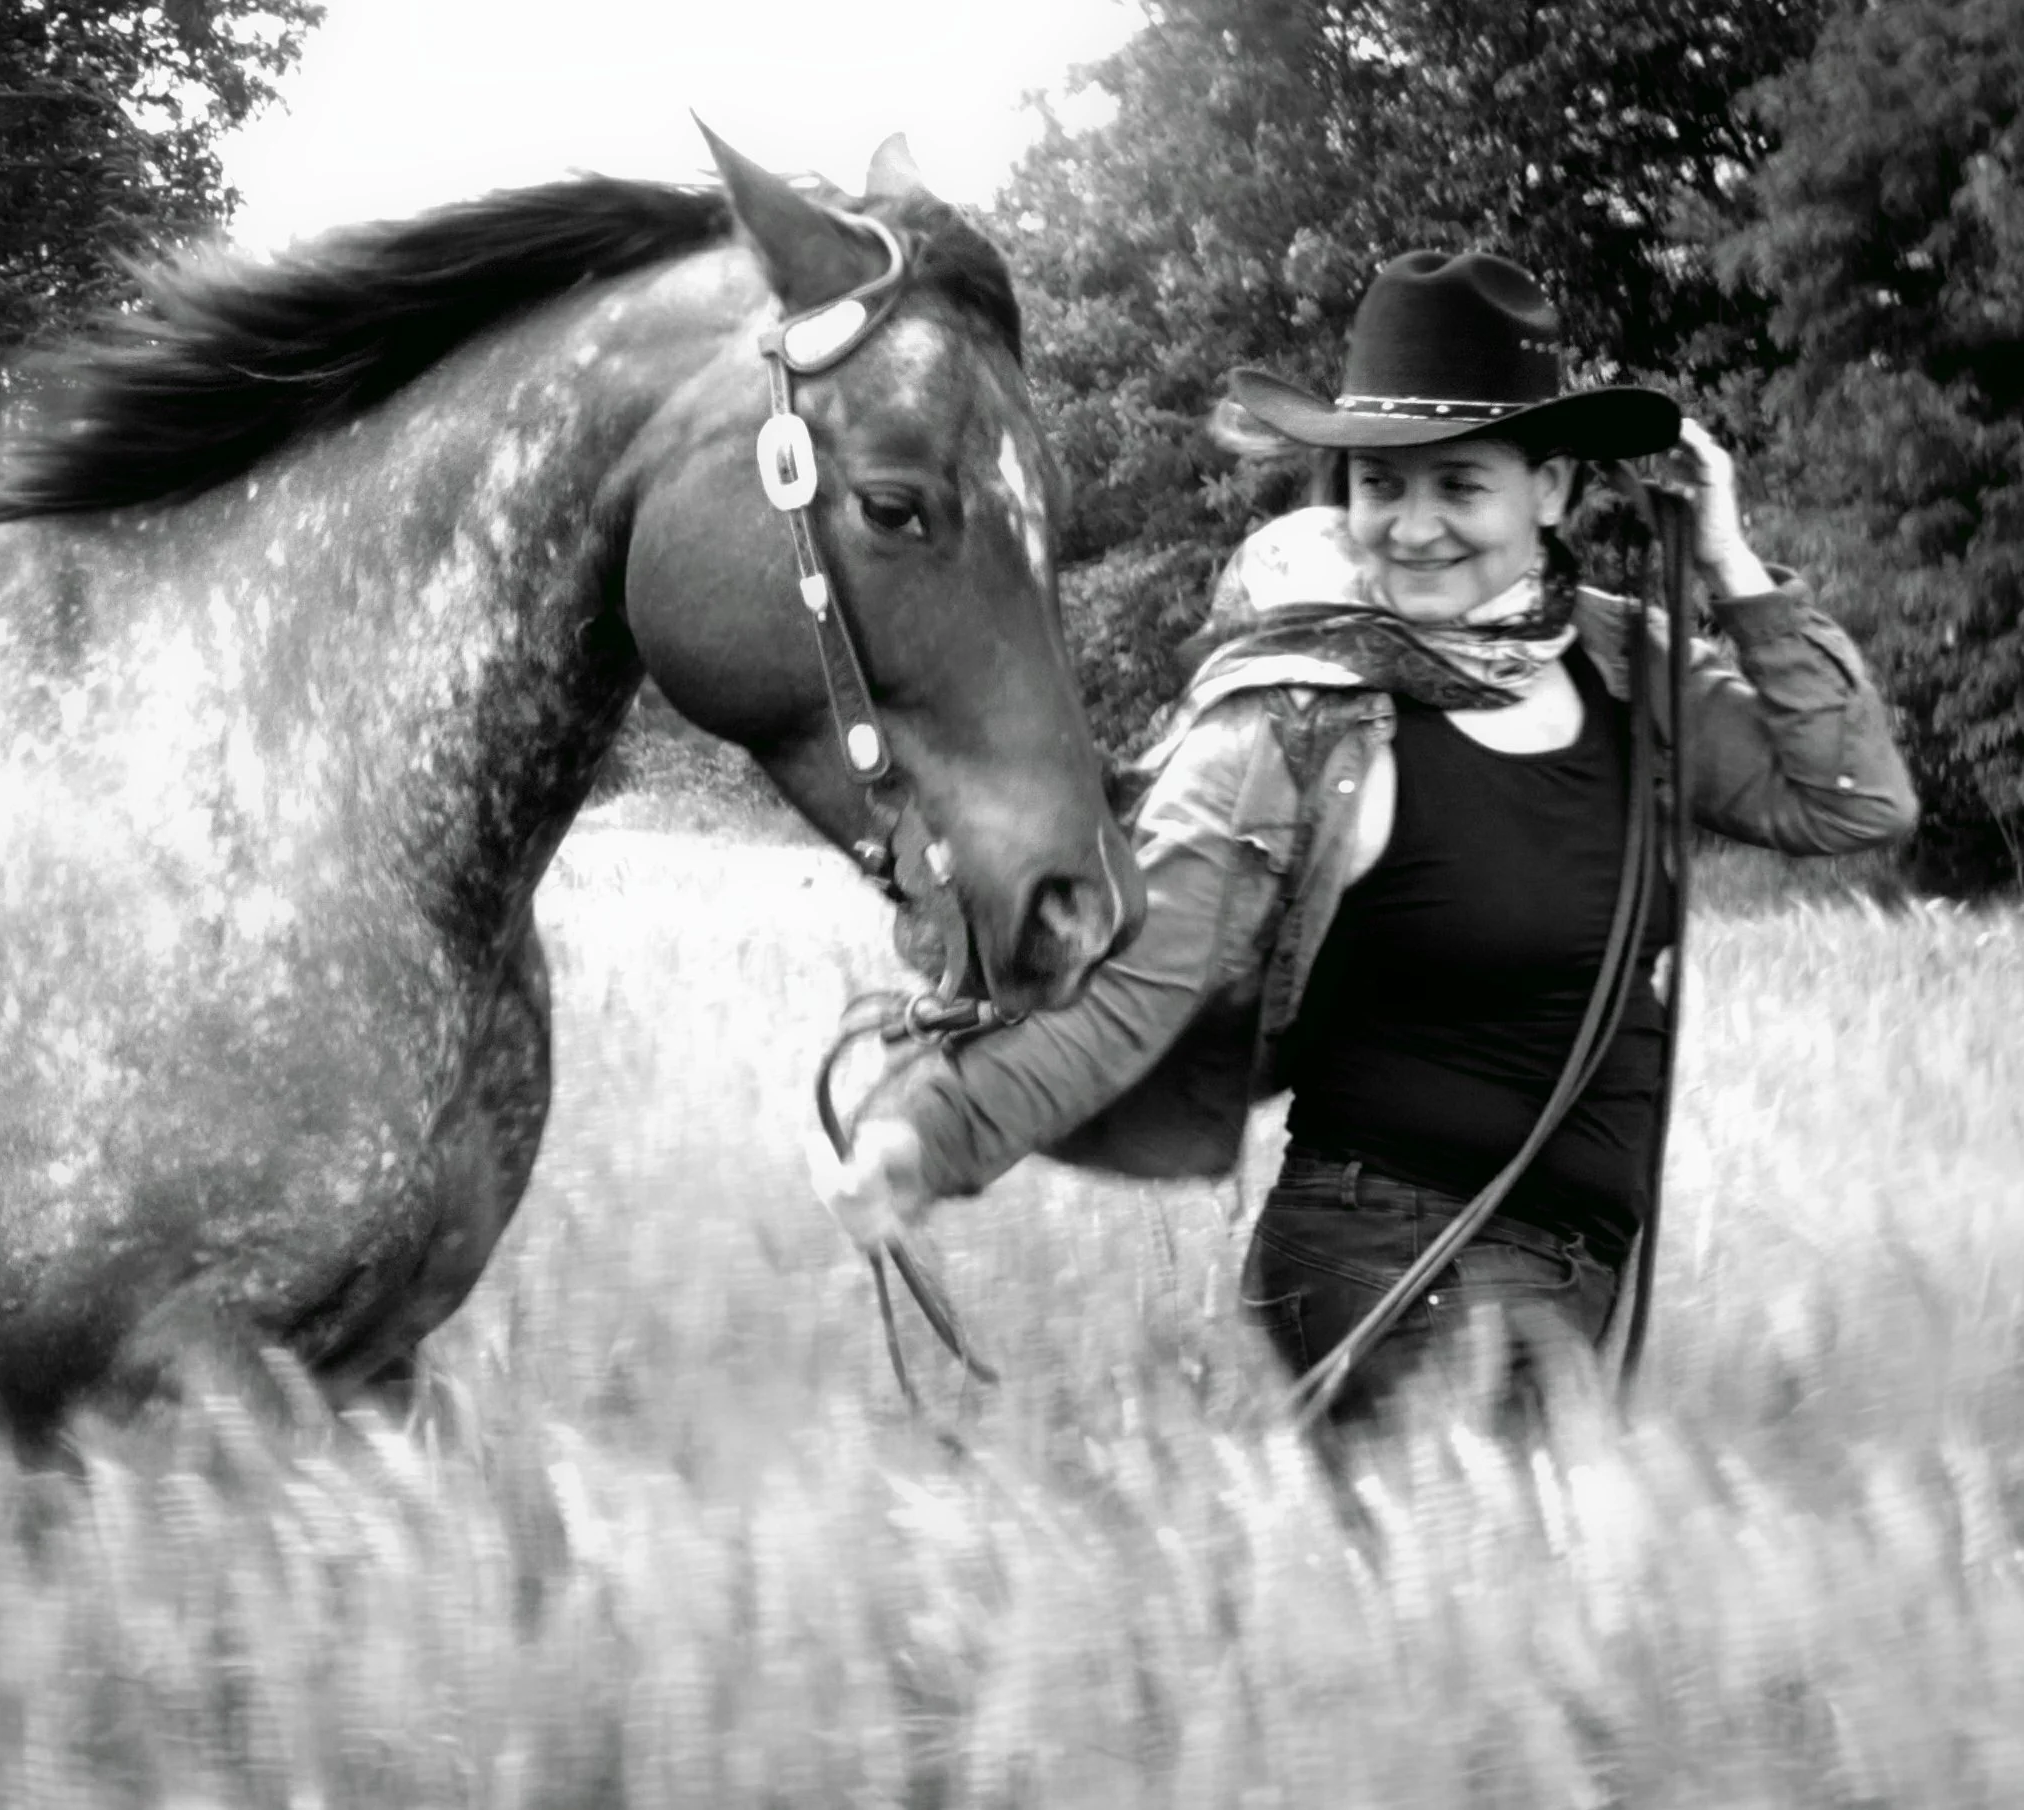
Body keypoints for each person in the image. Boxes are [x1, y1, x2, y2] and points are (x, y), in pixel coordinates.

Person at [818, 249, 1919, 1428]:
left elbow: (1852, 799)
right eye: (1381, 487)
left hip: (1576, 1260)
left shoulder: (1619, 666)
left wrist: (1736, 572)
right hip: (1391, 1255)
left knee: (1509, 1607)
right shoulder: (1302, 712)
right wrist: (927, 1138)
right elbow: (1141, 980)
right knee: (1493, 1594)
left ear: (1550, 489)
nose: (1414, 528)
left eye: (1460, 485)